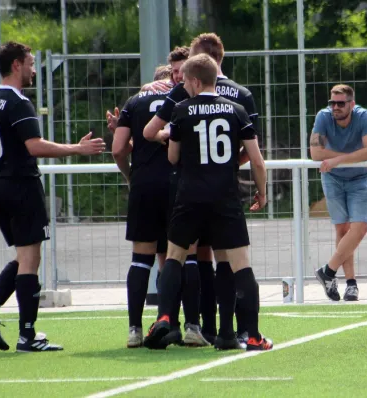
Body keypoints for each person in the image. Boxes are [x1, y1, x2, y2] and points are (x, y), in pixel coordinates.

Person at [0, 41, 106, 352]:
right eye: (30, 63)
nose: (34, 69)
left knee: (22, 257)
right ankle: (27, 336)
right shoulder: (18, 102)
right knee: (31, 260)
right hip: (21, 186)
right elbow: (34, 146)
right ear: (16, 65)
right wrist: (77, 149)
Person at [143, 53, 272, 351]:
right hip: (225, 196)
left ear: (196, 80)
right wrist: (261, 191)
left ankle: (164, 315)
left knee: (175, 255)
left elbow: (173, 157)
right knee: (238, 264)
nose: (182, 85)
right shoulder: (237, 110)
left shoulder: (182, 110)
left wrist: (171, 138)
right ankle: (244, 333)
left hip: (189, 195)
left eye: (185, 80)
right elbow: (256, 160)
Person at [112, 65, 175, 348]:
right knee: (176, 257)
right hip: (176, 184)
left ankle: (134, 329)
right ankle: (174, 322)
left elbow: (117, 149)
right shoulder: (180, 98)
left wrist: (130, 176)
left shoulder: (135, 101)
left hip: (144, 185)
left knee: (141, 258)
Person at [310, 84, 367, 301]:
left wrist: (338, 159)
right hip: (333, 178)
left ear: (351, 103)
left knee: (361, 226)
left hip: (358, 178)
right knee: (342, 229)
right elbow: (315, 152)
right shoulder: (323, 117)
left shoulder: (363, 116)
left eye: (340, 103)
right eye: (333, 103)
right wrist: (351, 156)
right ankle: (350, 284)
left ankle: (328, 271)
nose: (335, 107)